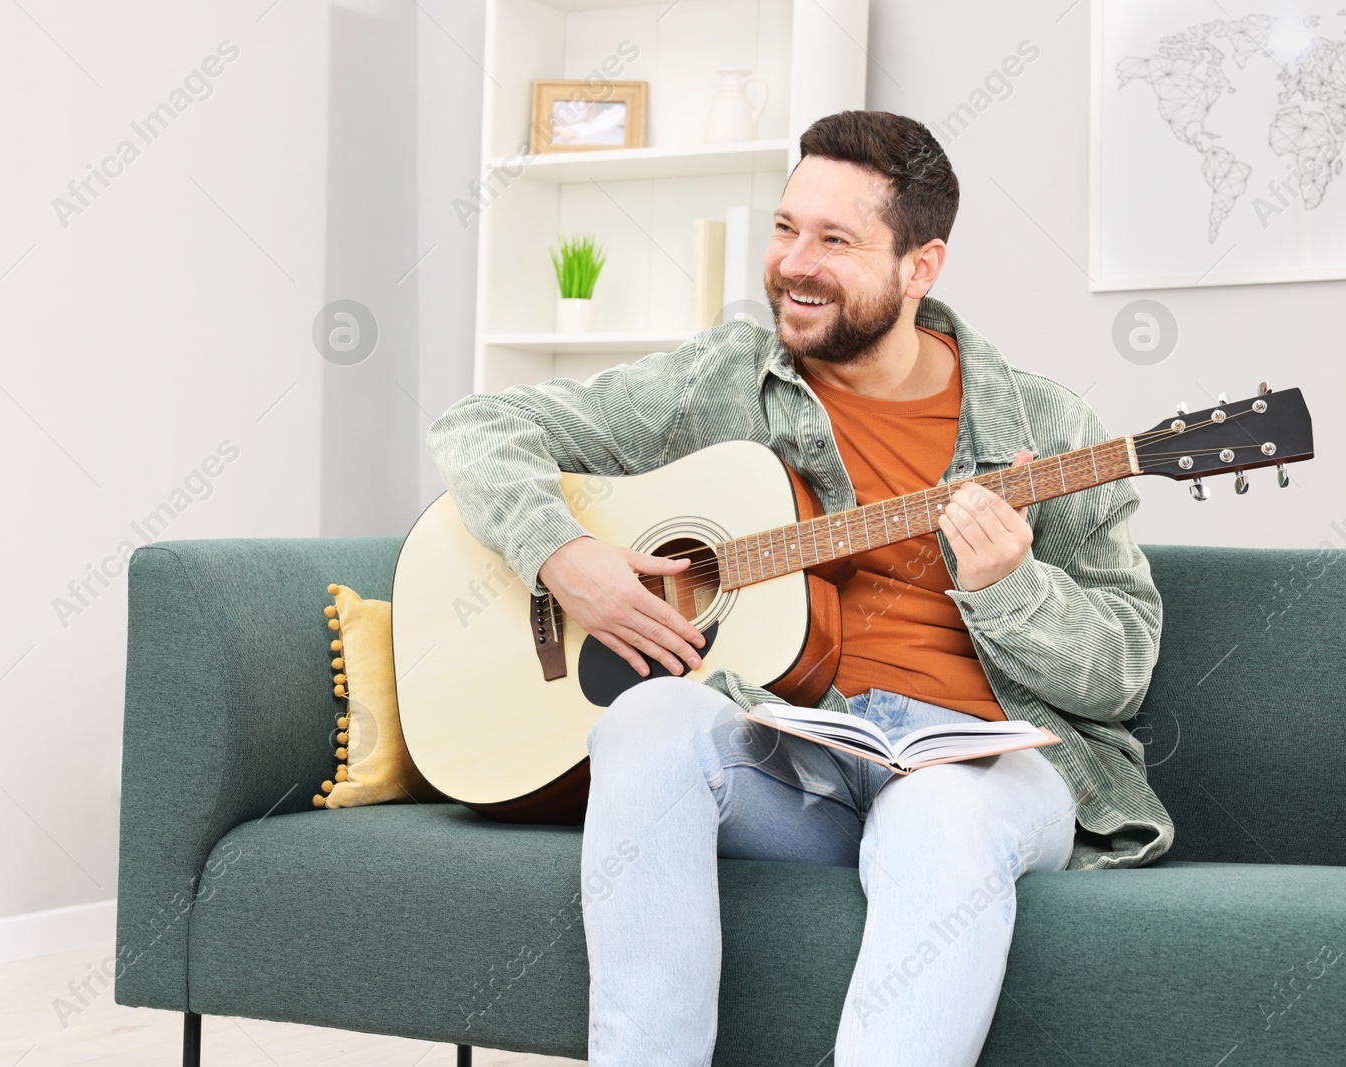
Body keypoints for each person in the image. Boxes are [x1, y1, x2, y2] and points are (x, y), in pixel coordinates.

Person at [426, 109, 1172, 1067]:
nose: (794, 263)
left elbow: (1124, 674)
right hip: (797, 754)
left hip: (981, 764)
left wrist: (1012, 588)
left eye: (834, 240)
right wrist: (560, 551)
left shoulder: (1051, 427)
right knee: (646, 723)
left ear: (921, 267)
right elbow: (481, 424)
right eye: (784, 228)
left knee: (939, 812)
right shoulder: (729, 379)